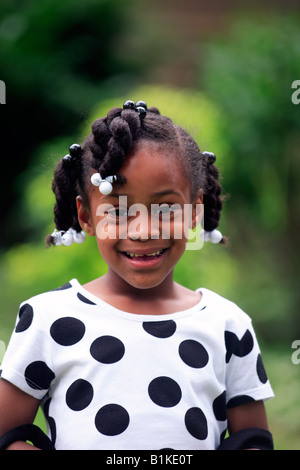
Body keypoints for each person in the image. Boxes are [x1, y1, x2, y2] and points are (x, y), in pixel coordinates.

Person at [0, 101, 274, 450]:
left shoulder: (228, 325)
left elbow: (253, 440)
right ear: (85, 217)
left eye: (166, 208)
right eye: (118, 211)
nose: (143, 230)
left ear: (195, 211)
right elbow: (7, 435)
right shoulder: (49, 319)